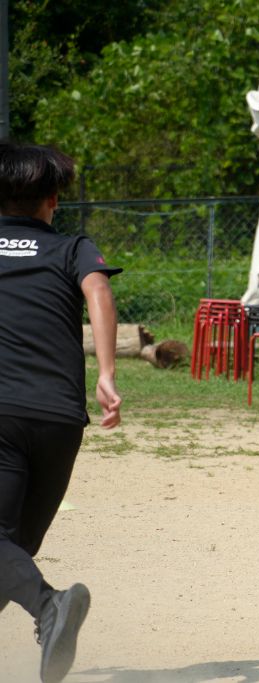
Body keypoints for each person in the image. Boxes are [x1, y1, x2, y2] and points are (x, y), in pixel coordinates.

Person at [0, 142, 122, 683]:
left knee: (5, 549)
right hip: (60, 416)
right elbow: (98, 290)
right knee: (15, 549)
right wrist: (107, 373)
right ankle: (49, 616)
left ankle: (49, 608)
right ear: (52, 201)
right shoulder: (73, 247)